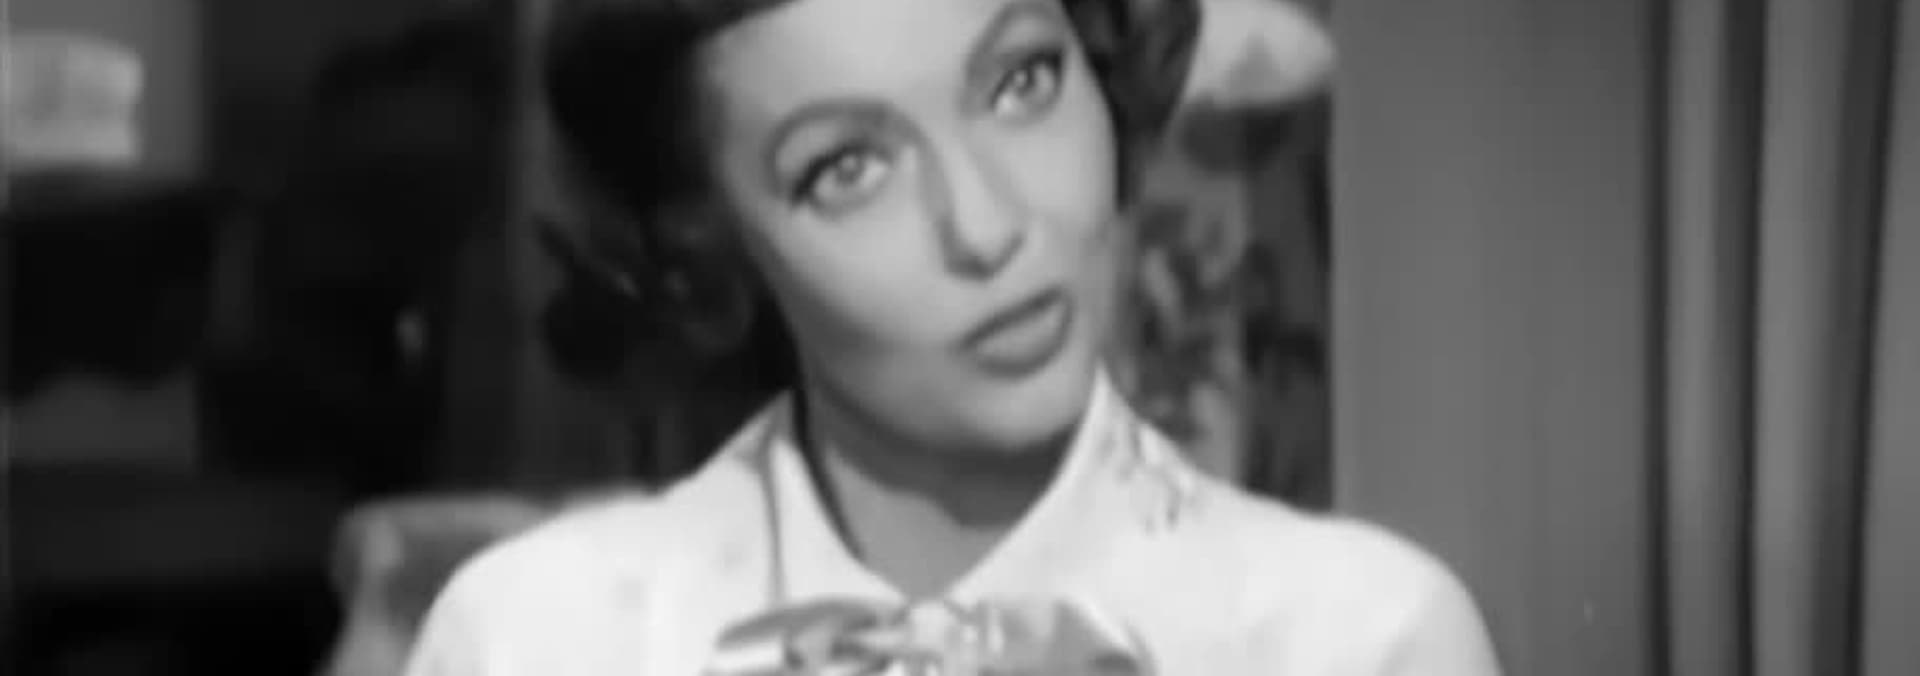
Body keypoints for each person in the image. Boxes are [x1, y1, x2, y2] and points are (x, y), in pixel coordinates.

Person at [405, 0, 1501, 673]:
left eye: (1023, 82)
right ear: (714, 247)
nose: (985, 227)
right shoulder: (540, 642)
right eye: (847, 169)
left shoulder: (1359, 639)